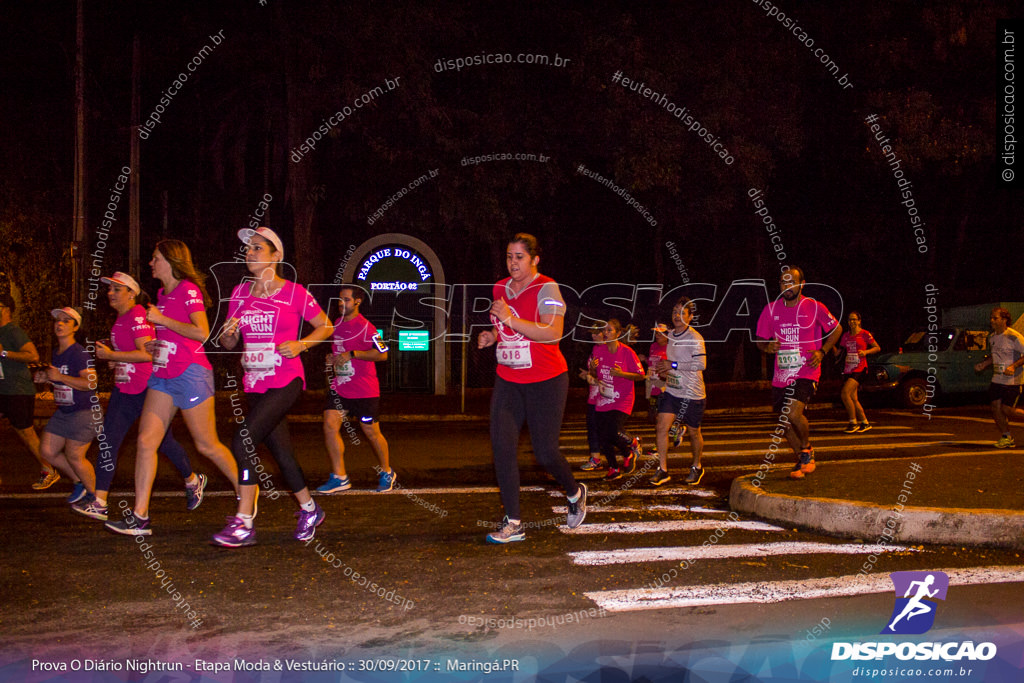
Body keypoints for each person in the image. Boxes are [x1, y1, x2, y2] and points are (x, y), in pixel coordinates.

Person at [106, 240, 239, 536]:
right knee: (145, 441)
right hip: (163, 374)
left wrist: (162, 320)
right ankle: (140, 516)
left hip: (190, 373)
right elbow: (174, 335)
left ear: (170, 260)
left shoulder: (188, 290)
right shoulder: (162, 294)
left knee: (206, 445)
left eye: (155, 258)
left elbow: (202, 333)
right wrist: (157, 343)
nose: (151, 263)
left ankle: (247, 491)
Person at [212, 227, 333, 547]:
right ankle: (310, 508)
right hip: (254, 381)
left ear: (276, 256)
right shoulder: (239, 293)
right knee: (282, 454)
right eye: (248, 249)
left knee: (243, 439)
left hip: (286, 378)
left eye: (257, 248)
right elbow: (229, 343)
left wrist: (302, 344)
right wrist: (227, 335)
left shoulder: (294, 292)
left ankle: (244, 521)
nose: (250, 253)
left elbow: (325, 326)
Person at [477, 233, 587, 543]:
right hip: (509, 380)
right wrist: (493, 335)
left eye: (519, 257)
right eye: (509, 256)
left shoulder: (546, 288)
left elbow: (552, 333)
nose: (513, 262)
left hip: (546, 381)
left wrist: (510, 320)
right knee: (501, 447)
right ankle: (513, 522)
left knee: (545, 452)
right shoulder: (500, 288)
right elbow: (506, 329)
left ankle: (574, 491)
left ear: (535, 259)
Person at [72, 272, 206, 521]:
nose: (110, 293)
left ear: (131, 293)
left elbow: (147, 355)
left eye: (117, 289)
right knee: (109, 441)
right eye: (109, 289)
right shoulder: (120, 319)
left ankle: (192, 479)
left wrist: (113, 356)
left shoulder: (137, 316)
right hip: (124, 390)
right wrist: (117, 362)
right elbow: (130, 353)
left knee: (164, 443)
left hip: (146, 391)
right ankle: (100, 501)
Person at [756, 266, 841, 479]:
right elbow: (759, 339)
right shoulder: (771, 309)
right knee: (784, 423)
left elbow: (837, 329)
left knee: (793, 413)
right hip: (781, 374)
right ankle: (801, 459)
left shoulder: (813, 306)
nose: (787, 286)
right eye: (783, 282)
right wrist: (767, 347)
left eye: (791, 282)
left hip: (807, 369)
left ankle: (807, 449)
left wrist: (822, 352)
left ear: (801, 284)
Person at [315, 285, 393, 493]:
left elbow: (383, 354)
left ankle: (387, 471)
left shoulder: (367, 327)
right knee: (330, 425)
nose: (342, 303)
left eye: (347, 300)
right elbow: (339, 353)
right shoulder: (336, 324)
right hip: (340, 387)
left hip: (364, 390)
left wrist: (354, 354)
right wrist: (332, 359)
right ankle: (340, 476)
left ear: (357, 302)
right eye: (340, 300)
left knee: (371, 432)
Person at [34, 307, 99, 506]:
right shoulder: (57, 352)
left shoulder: (78, 353)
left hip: (85, 411)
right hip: (65, 411)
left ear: (75, 327)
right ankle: (79, 482)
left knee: (74, 454)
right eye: (57, 321)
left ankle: (96, 498)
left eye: (66, 321)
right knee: (46, 450)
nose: (60, 324)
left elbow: (91, 382)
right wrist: (47, 378)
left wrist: (59, 377)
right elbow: (63, 381)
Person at [0, 293, 56, 488]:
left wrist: (5, 353)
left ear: (5, 309)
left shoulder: (13, 331)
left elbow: (33, 355)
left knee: (27, 433)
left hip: (18, 390)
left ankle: (49, 468)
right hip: (3, 389)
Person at [651, 297, 707, 486]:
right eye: (675, 311)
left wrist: (673, 364)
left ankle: (697, 466)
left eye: (682, 312)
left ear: (690, 317)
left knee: (694, 432)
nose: (677, 315)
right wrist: (665, 369)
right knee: (661, 427)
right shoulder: (670, 335)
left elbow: (701, 364)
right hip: (673, 391)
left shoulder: (695, 338)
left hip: (692, 393)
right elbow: (671, 362)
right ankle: (663, 469)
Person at [588, 318, 644, 480]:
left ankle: (633, 442)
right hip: (603, 398)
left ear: (618, 333)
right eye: (604, 330)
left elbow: (641, 376)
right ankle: (614, 467)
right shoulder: (598, 351)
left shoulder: (627, 352)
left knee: (613, 431)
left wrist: (622, 374)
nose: (605, 333)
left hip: (622, 399)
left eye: (609, 330)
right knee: (603, 435)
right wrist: (592, 369)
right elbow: (595, 376)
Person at [974, 307, 1024, 448]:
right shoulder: (992, 337)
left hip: (1012, 379)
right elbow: (995, 356)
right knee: (995, 407)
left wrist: (1013, 366)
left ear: (1004, 320)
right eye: (991, 317)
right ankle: (1006, 437)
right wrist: (984, 364)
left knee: (1007, 409)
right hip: (997, 378)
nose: (992, 320)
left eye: (995, 318)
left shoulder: (1014, 336)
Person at [834, 311, 880, 433]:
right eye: (850, 320)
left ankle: (852, 422)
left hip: (860, 368)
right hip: (849, 368)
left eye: (854, 319)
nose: (852, 322)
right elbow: (838, 352)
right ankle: (865, 423)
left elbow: (877, 347)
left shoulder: (865, 334)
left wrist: (866, 352)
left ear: (859, 321)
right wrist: (828, 344)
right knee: (853, 398)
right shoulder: (846, 336)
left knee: (845, 393)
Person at [579, 321, 607, 472]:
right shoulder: (594, 349)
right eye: (593, 333)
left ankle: (631, 443)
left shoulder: (609, 349)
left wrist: (591, 377)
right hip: (593, 395)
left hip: (606, 396)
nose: (594, 336)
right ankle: (595, 458)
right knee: (592, 427)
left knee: (610, 429)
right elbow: (594, 372)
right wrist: (587, 375)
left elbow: (607, 374)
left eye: (598, 332)